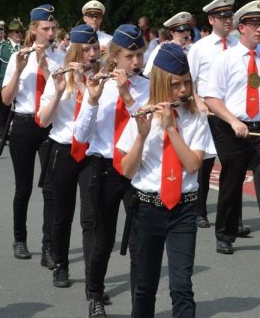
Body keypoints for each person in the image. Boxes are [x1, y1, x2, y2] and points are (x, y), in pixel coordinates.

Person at [118, 43, 211, 318]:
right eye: (175, 85)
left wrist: (171, 129)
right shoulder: (143, 114)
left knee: (182, 285)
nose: (182, 91)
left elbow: (193, 165)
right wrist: (142, 135)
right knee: (145, 285)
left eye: (186, 83)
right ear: (160, 84)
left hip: (183, 208)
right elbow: (126, 169)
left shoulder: (195, 118)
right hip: (148, 209)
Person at [74, 24, 149, 317]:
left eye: (140, 55)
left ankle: (139, 304)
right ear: (115, 56)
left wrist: (127, 96)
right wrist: (92, 99)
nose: (136, 63)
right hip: (104, 168)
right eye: (130, 56)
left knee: (138, 241)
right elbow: (80, 136)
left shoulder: (146, 87)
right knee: (102, 238)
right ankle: (94, 294)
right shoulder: (97, 84)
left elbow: (147, 128)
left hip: (135, 168)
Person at [202, 0, 260, 258]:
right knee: (232, 180)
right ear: (242, 28)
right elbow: (212, 98)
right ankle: (225, 233)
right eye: (254, 25)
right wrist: (234, 121)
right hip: (231, 127)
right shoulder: (225, 59)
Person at [37, 24, 100, 289]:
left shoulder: (101, 78)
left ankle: (92, 278)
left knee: (91, 219)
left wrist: (86, 87)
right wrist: (61, 89)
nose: (92, 54)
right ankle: (60, 265)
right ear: (75, 51)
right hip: (63, 150)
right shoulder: (58, 76)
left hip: (91, 152)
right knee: (62, 214)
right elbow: (43, 120)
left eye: (95, 48)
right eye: (86, 49)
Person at [2, 5, 62, 267]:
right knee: (23, 187)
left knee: (51, 189)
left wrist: (45, 65)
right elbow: (6, 99)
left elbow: (60, 91)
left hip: (49, 125)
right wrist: (18, 69)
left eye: (53, 28)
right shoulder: (18, 56)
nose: (50, 33)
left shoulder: (59, 57)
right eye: (45, 29)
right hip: (25, 124)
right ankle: (19, 238)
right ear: (34, 29)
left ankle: (48, 246)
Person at [187, 0, 238, 230]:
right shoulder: (201, 48)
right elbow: (188, 80)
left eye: (230, 16)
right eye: (222, 17)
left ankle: (232, 218)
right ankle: (199, 211)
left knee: (233, 167)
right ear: (211, 19)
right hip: (207, 112)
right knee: (205, 164)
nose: (228, 21)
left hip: (233, 113)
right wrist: (197, 101)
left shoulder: (239, 45)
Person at [0, 21, 22, 138]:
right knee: (4, 110)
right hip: (5, 83)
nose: (19, 34)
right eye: (16, 32)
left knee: (17, 110)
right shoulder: (2, 47)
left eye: (20, 32)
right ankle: (3, 133)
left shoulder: (25, 47)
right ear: (9, 34)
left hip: (20, 84)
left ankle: (15, 133)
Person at [143, 11, 193, 76]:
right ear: (172, 33)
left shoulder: (194, 48)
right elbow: (148, 72)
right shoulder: (162, 49)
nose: (185, 32)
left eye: (188, 29)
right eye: (181, 30)